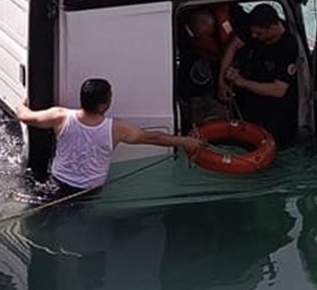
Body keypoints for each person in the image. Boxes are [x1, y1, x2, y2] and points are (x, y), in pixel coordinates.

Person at [16, 77, 201, 203]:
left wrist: (22, 104)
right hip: (88, 193)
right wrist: (185, 141)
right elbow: (154, 137)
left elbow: (26, 117)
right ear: (104, 104)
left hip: (55, 184)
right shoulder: (116, 129)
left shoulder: (60, 116)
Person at [218, 3, 300, 148]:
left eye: (259, 33)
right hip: (250, 98)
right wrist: (222, 79)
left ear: (273, 27)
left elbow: (279, 90)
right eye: (253, 32)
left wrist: (241, 82)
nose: (254, 36)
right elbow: (234, 45)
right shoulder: (255, 28)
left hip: (275, 110)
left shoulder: (288, 47)